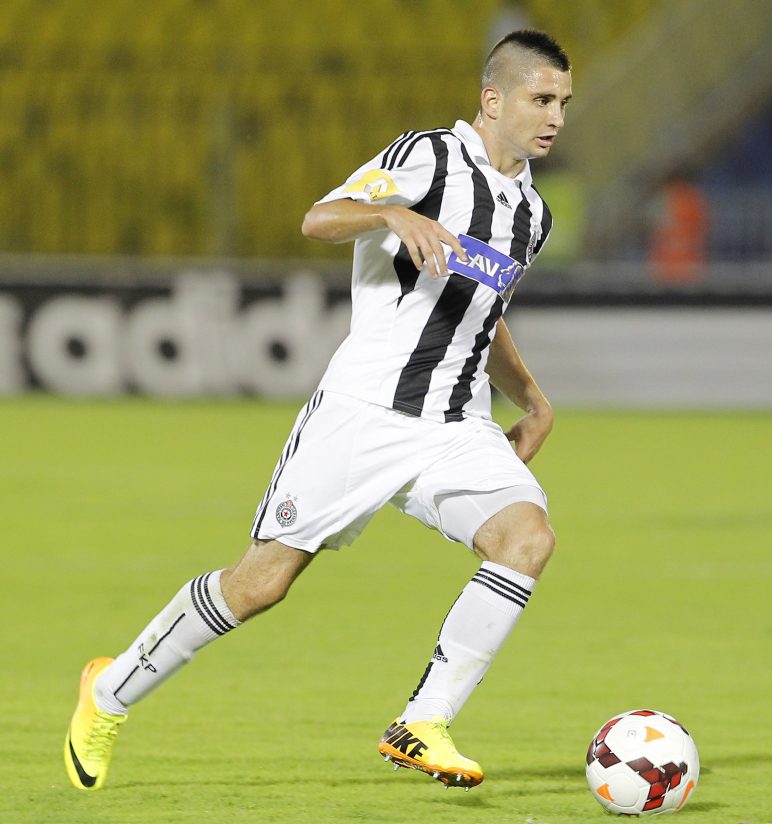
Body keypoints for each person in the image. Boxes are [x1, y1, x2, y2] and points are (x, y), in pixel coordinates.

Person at [64, 29, 572, 792]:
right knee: (260, 584)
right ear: (492, 100)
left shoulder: (531, 214)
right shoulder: (429, 158)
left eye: (564, 102)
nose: (555, 116)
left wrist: (529, 396)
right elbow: (320, 217)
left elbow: (480, 310)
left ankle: (423, 721)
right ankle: (108, 693)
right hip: (362, 416)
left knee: (526, 538)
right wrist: (390, 216)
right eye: (541, 99)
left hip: (455, 424)